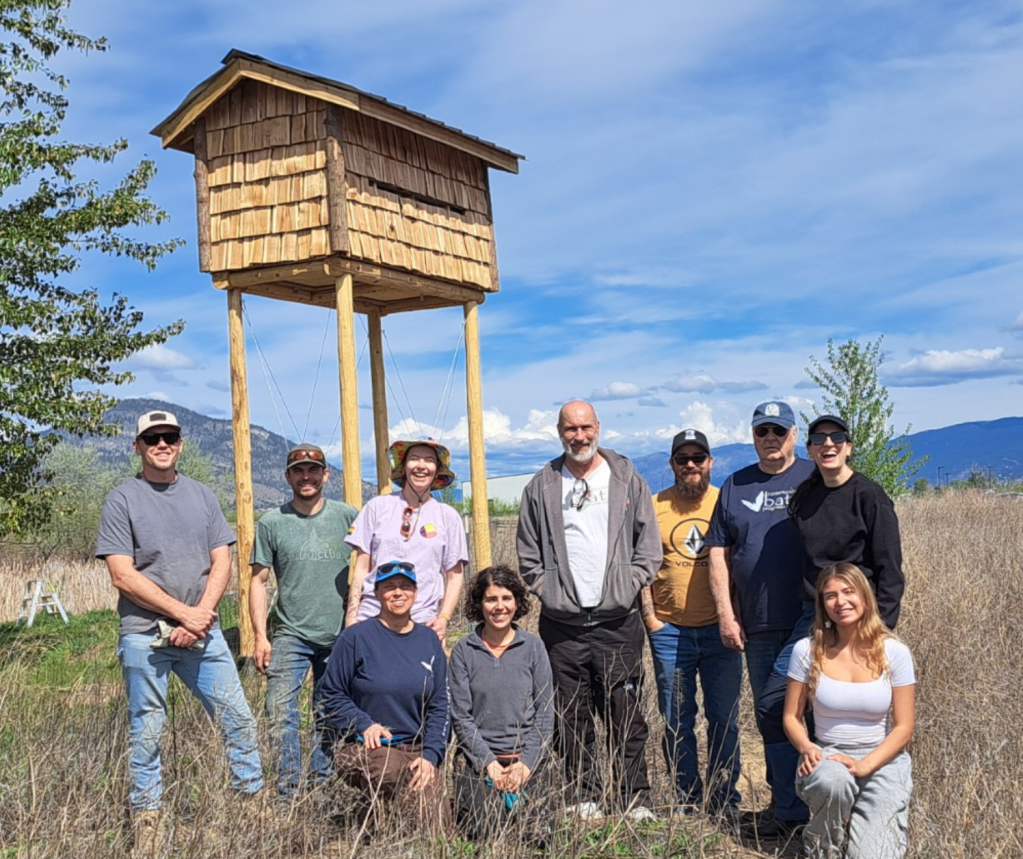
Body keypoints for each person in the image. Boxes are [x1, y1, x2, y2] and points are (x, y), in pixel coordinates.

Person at [96, 410, 262, 855]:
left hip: (203, 633)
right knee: (147, 731)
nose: (162, 445)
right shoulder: (121, 500)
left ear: (181, 444)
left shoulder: (203, 496)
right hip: (144, 634)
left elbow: (222, 561)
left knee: (238, 719)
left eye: (169, 436)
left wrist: (200, 616)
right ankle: (148, 825)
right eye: (152, 439)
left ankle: (251, 808)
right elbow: (122, 575)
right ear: (137, 447)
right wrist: (182, 615)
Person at [752, 413, 907, 839]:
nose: (828, 444)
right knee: (775, 706)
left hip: (861, 618)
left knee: (847, 706)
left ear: (849, 446)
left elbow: (890, 573)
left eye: (836, 437)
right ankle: (799, 805)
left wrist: (877, 633)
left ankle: (854, 796)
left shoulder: (870, 496)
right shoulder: (806, 496)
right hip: (815, 617)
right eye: (819, 439)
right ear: (810, 449)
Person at [517, 400, 661, 821]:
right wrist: (550, 593)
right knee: (570, 714)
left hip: (618, 622)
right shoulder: (542, 486)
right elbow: (528, 553)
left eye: (585, 427)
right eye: (570, 429)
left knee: (625, 712)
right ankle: (583, 797)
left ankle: (634, 798)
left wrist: (628, 584)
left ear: (598, 427)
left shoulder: (626, 478)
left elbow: (648, 545)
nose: (578, 436)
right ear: (559, 431)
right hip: (563, 624)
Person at [705, 400, 815, 837]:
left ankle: (810, 809)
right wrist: (726, 615)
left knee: (804, 711)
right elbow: (718, 553)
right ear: (753, 437)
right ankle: (786, 807)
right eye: (762, 431)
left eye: (779, 431)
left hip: (811, 618)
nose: (770, 438)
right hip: (758, 621)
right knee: (772, 715)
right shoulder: (736, 484)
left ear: (794, 435)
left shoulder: (814, 476)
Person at [640, 429, 741, 817]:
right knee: (676, 721)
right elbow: (641, 565)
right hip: (670, 632)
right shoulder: (654, 506)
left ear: (710, 462)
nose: (691, 465)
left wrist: (734, 617)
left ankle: (724, 798)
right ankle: (686, 798)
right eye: (682, 459)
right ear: (672, 464)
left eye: (698, 458)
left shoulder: (726, 501)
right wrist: (650, 619)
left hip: (720, 631)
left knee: (724, 719)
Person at [783, 563, 915, 859]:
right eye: (830, 596)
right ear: (822, 605)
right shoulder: (806, 650)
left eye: (848, 592)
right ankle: (822, 848)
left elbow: (904, 727)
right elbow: (791, 716)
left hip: (882, 760)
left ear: (865, 596)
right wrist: (807, 747)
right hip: (829, 753)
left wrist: (866, 765)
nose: (840, 602)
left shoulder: (895, 652)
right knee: (833, 781)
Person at [248, 443, 358, 797]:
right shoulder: (272, 522)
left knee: (328, 710)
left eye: (313, 470)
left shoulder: (347, 516)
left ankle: (321, 786)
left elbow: (371, 565)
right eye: (299, 471)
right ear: (287, 477)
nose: (306, 477)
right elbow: (258, 581)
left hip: (339, 633)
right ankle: (288, 789)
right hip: (290, 633)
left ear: (326, 475)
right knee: (279, 708)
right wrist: (260, 637)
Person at [320, 561, 449, 832]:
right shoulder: (355, 638)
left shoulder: (429, 640)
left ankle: (375, 820)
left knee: (436, 825)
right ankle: (372, 823)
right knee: (392, 773)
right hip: (365, 747)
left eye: (405, 586)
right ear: (377, 593)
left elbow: (440, 705)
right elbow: (330, 694)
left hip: (416, 748)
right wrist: (363, 724)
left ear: (416, 592)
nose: (398, 593)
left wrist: (431, 756)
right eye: (389, 587)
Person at [449, 565, 555, 840]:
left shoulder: (533, 647)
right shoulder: (463, 651)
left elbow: (545, 712)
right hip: (480, 762)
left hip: (527, 759)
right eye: (491, 599)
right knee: (485, 831)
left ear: (517, 602)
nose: (499, 607)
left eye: (507, 598)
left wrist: (526, 764)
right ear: (479, 604)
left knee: (537, 835)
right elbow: (461, 716)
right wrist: (489, 763)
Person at [344, 438, 467, 643]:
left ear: (437, 470)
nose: (421, 466)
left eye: (429, 460)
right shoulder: (377, 507)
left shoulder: (448, 516)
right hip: (372, 616)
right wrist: (352, 616)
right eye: (414, 459)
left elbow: (454, 575)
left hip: (422, 620)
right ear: (403, 468)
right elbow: (361, 567)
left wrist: (443, 619)